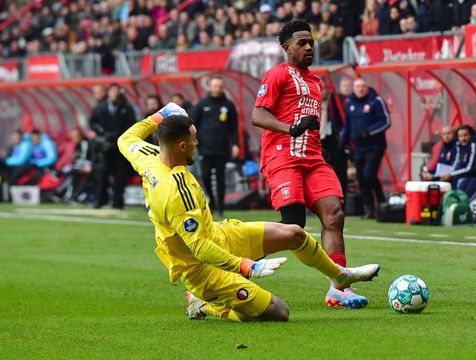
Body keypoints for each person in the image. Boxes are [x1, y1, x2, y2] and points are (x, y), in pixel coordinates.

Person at [117, 102, 380, 321]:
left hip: (220, 234)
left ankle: (339, 275)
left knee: (295, 234)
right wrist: (248, 266)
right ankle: (204, 303)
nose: (198, 143)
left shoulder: (147, 155)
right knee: (279, 312)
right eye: (194, 139)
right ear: (182, 146)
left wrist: (159, 115)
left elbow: (126, 138)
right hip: (202, 269)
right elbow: (200, 249)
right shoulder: (175, 191)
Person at [252, 20, 379, 308]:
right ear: (286, 47)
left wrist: (318, 144)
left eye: (311, 42)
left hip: (313, 158)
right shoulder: (277, 75)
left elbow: (310, 120)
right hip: (283, 156)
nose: (309, 47)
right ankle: (231, 268)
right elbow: (258, 115)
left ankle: (338, 289)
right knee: (293, 225)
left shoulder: (315, 81)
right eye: (302, 43)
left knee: (334, 215)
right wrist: (291, 128)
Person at [340, 77, 391, 219]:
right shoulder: (349, 103)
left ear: (367, 87)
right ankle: (369, 208)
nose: (360, 89)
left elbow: (386, 121)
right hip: (358, 147)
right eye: (357, 87)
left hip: (375, 146)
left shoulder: (376, 101)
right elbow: (347, 125)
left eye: (363, 86)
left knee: (369, 175)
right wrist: (343, 140)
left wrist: (368, 131)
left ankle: (381, 203)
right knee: (361, 178)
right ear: (353, 88)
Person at [191, 76, 240, 218]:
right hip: (205, 148)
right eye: (214, 86)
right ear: (210, 87)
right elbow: (193, 125)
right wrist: (194, 143)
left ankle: (220, 207)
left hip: (222, 148)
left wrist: (235, 144)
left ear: (222, 87)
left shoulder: (228, 105)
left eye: (219, 86)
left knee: (220, 178)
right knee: (205, 176)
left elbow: (234, 127)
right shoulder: (202, 105)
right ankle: (211, 201)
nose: (217, 89)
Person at [89, 83, 135, 209]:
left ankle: (118, 202)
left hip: (120, 146)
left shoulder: (126, 107)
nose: (114, 94)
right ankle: (100, 200)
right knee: (103, 173)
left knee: (120, 175)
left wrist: (117, 134)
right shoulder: (100, 107)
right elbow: (93, 122)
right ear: (108, 93)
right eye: (112, 91)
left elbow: (131, 124)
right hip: (106, 146)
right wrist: (103, 133)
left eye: (116, 91)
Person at [441, 124, 476, 198]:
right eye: (460, 136)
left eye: (465, 135)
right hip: (459, 174)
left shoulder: (474, 146)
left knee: (458, 181)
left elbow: (470, 168)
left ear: (470, 135)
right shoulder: (459, 145)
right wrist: (449, 173)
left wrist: (451, 174)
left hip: (472, 175)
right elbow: (456, 163)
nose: (463, 138)